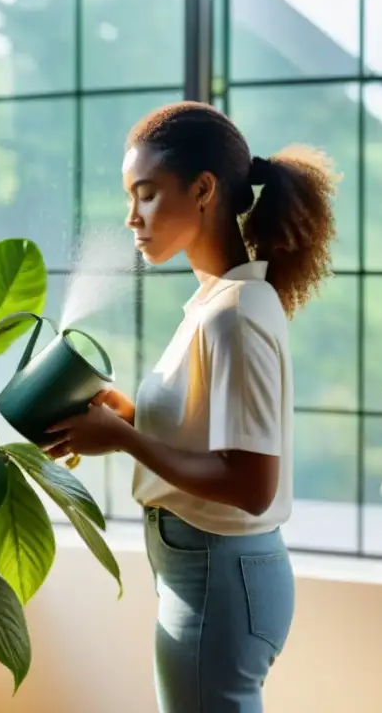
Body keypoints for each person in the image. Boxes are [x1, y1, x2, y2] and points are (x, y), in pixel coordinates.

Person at [46, 101, 339, 712]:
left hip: (218, 577)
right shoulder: (218, 302)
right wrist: (128, 419)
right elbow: (215, 440)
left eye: (147, 195)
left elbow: (252, 483)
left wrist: (125, 441)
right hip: (207, 574)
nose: (132, 218)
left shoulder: (234, 314)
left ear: (203, 189)